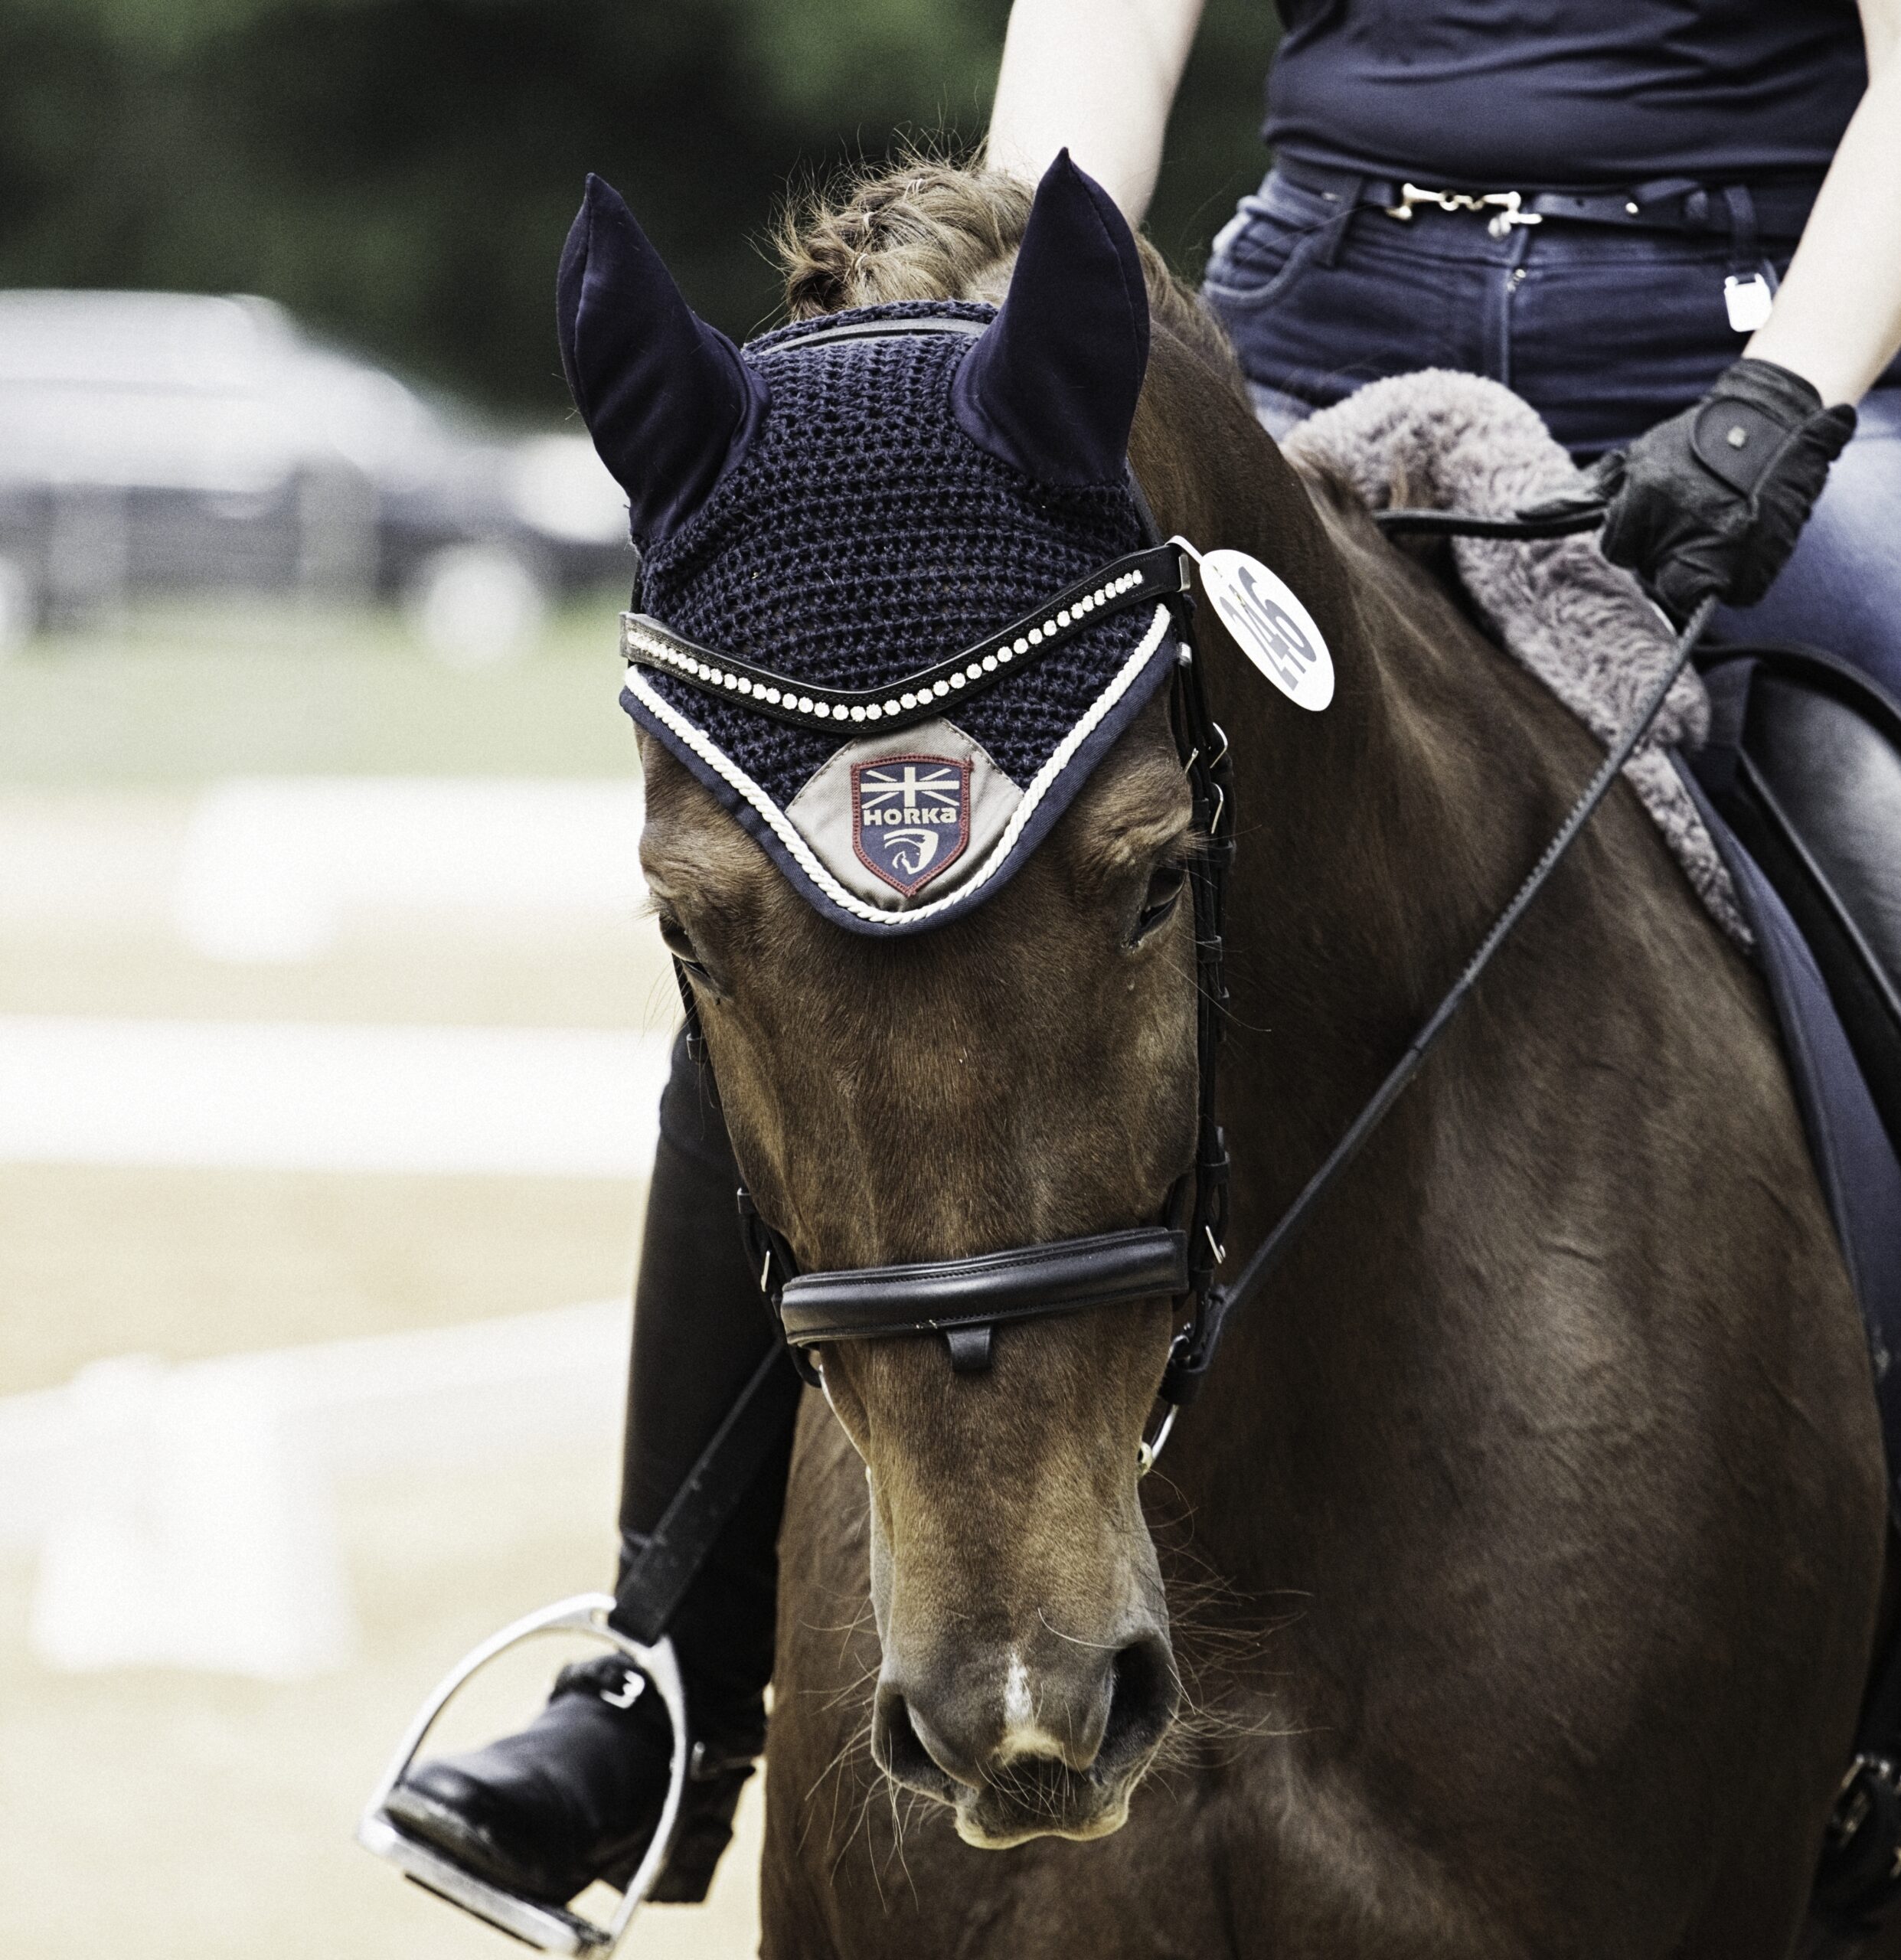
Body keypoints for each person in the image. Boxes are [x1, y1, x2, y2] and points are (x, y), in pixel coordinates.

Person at [384, 0, 1901, 1914]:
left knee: (1889, 804)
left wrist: (1791, 385)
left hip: (1757, 352)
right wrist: (997, 329)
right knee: (811, 871)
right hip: (1297, 349)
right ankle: (664, 1663)